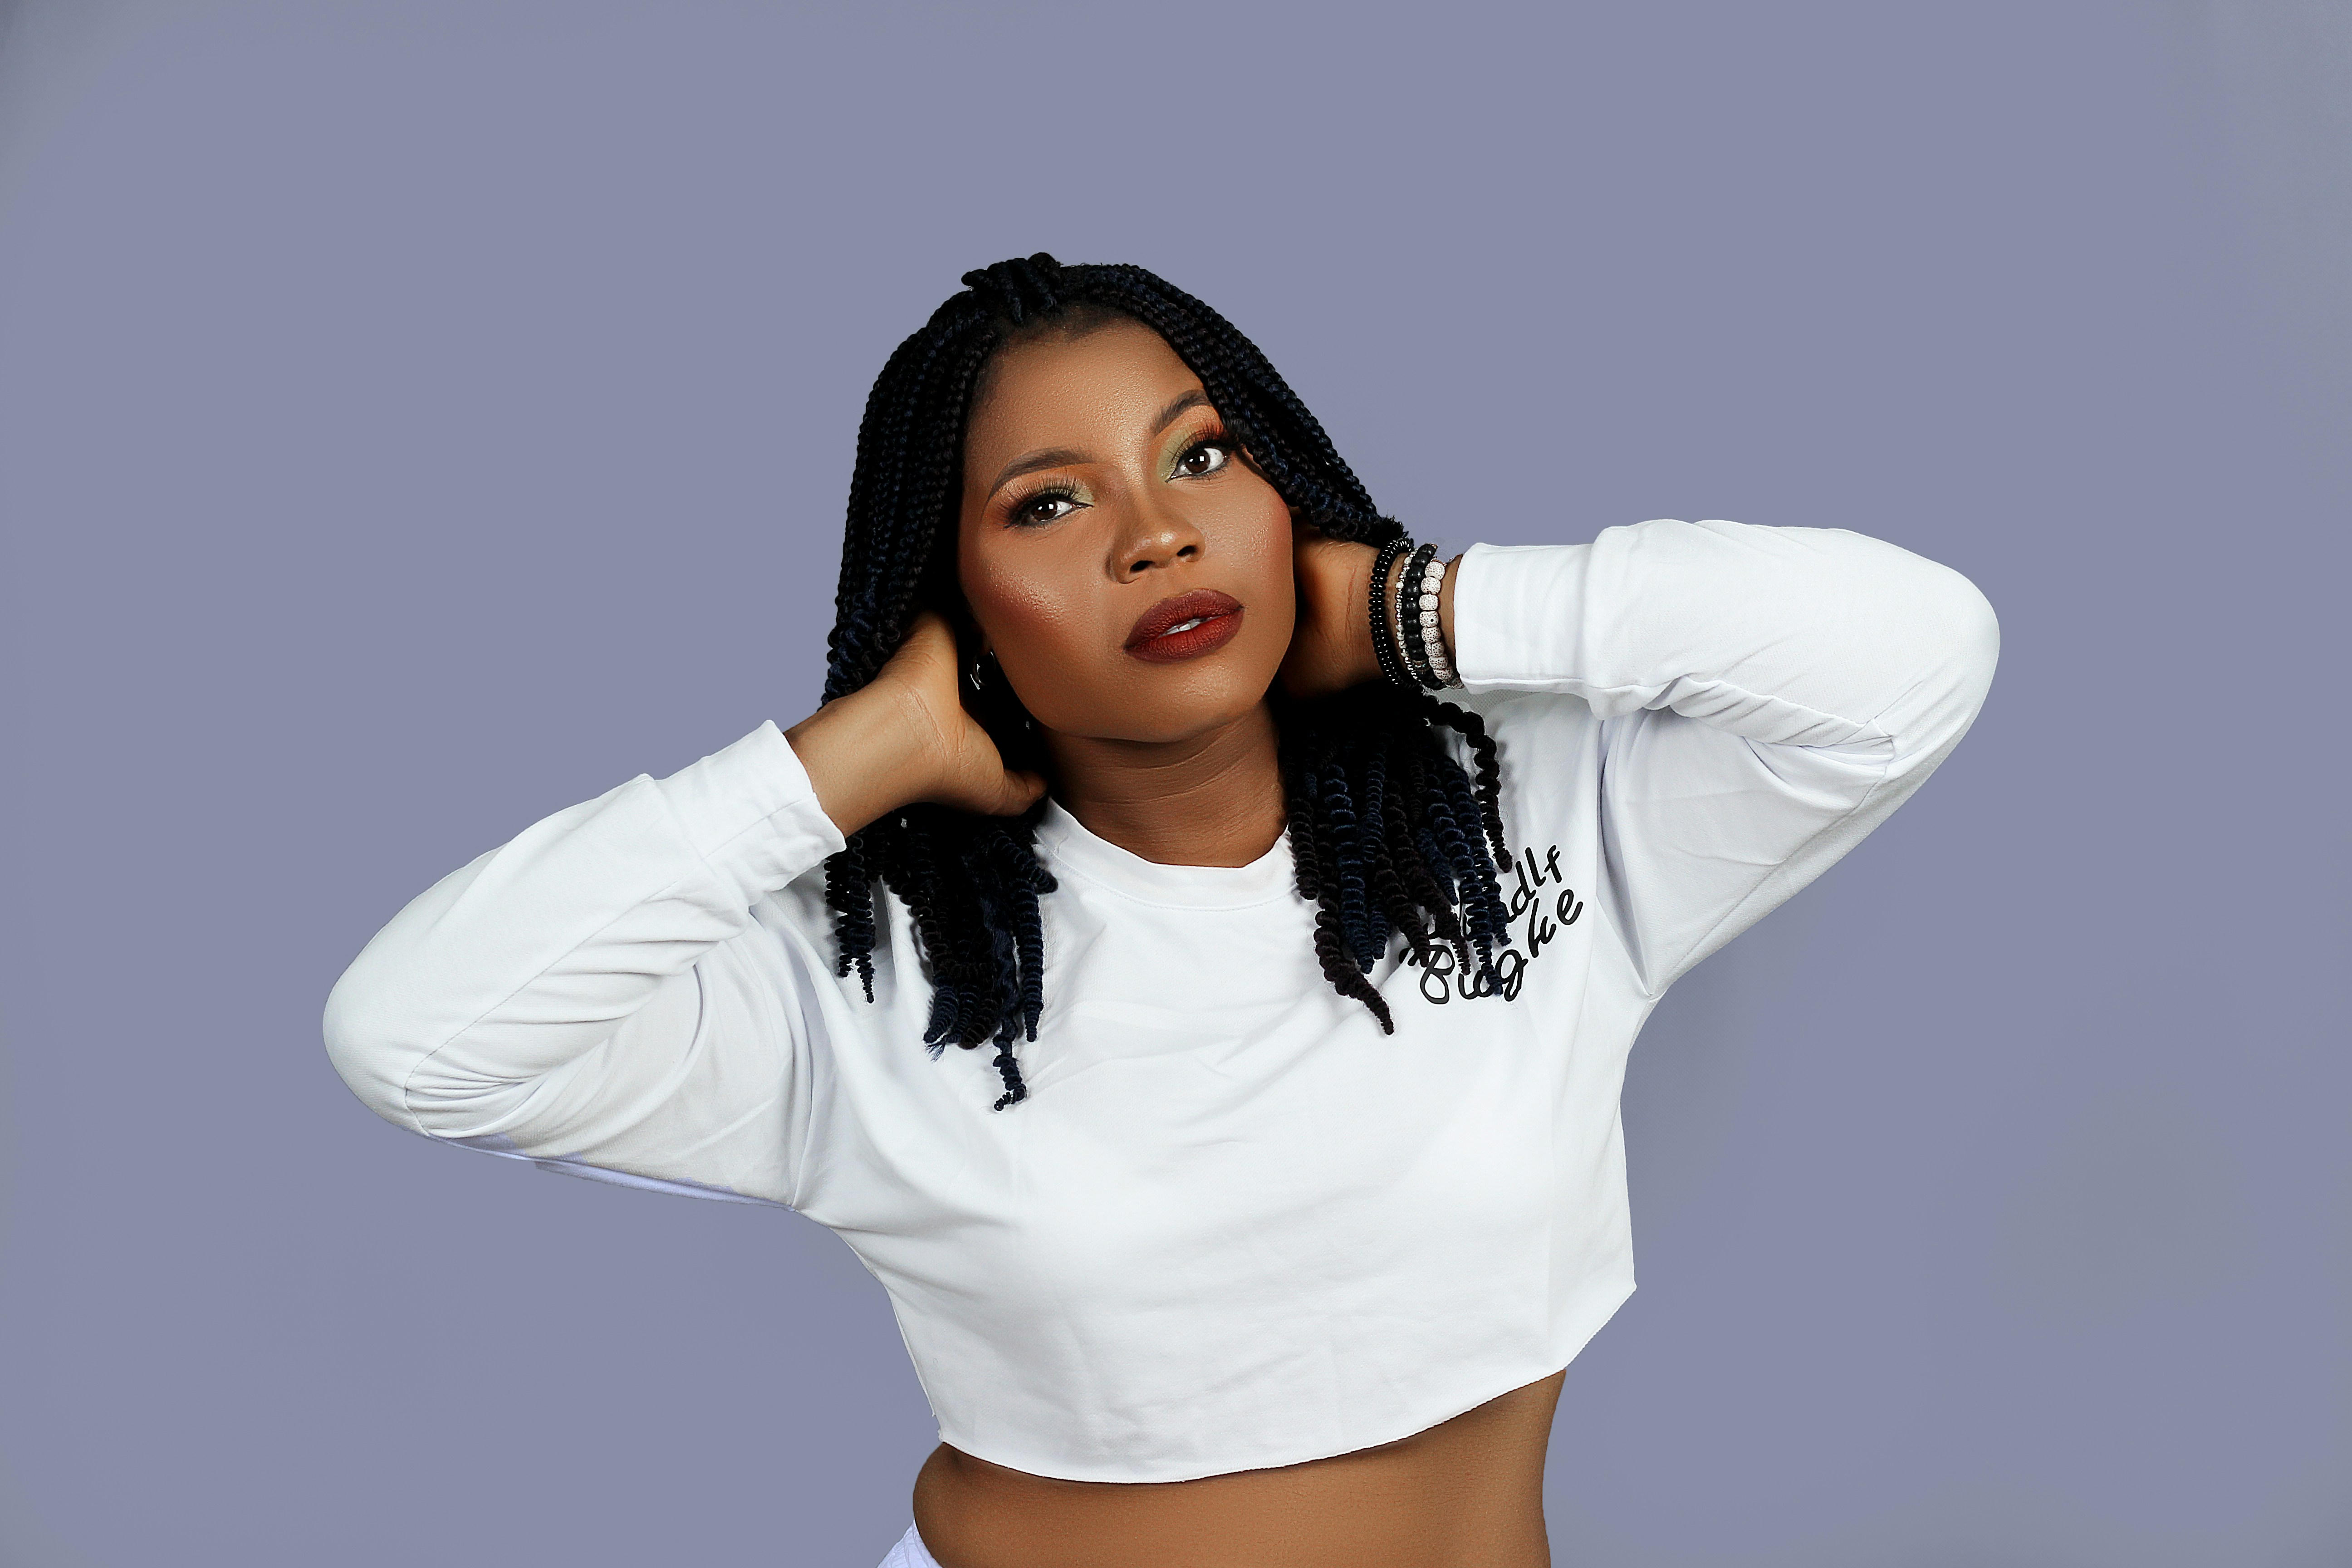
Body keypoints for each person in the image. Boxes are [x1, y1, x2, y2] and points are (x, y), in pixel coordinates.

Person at [323, 254, 1999, 1568]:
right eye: (1049, 504)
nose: (1158, 537)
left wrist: (1415, 607)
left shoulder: (1515, 816)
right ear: (952, 597)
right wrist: (852, 755)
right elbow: (416, 1040)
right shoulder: (868, 969)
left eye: (1202, 456)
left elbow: (1915, 655)